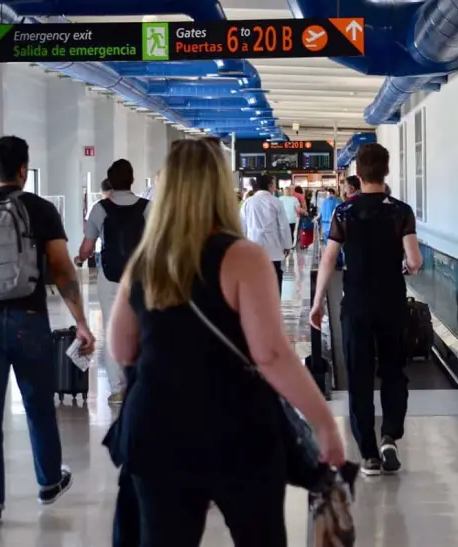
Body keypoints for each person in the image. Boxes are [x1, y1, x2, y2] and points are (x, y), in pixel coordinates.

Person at [106, 138, 345, 546]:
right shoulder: (241, 257)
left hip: (157, 429)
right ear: (220, 187)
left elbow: (122, 349)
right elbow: (269, 355)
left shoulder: (146, 260)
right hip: (236, 427)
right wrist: (323, 421)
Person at [0, 136, 94, 527]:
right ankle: (47, 481)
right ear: (24, 170)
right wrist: (81, 320)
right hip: (29, 319)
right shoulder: (40, 210)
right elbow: (61, 269)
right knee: (38, 404)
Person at [309, 143, 422, 477]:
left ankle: (369, 454)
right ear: (386, 171)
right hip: (391, 303)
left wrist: (317, 303)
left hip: (356, 304)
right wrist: (405, 266)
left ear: (357, 173)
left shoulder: (345, 212)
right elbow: (414, 261)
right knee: (393, 370)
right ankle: (390, 434)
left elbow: (329, 258)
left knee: (359, 375)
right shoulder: (401, 211)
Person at [75, 159, 150, 404]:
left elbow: (87, 247)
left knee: (112, 330)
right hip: (141, 277)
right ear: (132, 180)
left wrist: (80, 257)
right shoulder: (148, 208)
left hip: (109, 277)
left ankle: (119, 389)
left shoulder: (99, 209)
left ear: (110, 181)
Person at [240, 175, 291, 294]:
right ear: (269, 185)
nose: (274, 187)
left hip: (253, 245)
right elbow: (283, 226)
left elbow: (241, 226)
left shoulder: (248, 202)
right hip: (273, 245)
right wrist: (287, 245)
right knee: (275, 273)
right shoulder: (276, 202)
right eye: (273, 184)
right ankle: (275, 302)